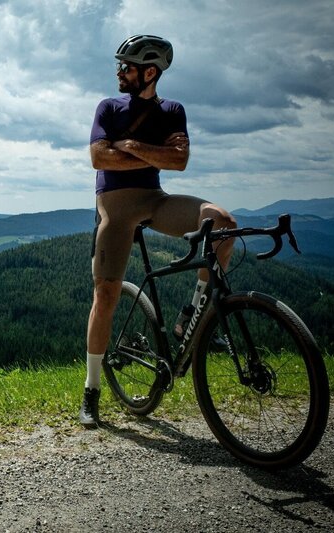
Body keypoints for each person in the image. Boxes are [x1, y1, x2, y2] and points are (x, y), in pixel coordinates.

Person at [79, 35, 237, 428]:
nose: (119, 72)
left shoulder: (172, 110)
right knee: (106, 294)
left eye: (127, 67)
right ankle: (92, 389)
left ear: (150, 72)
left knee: (223, 224)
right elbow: (99, 157)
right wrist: (153, 152)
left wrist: (129, 145)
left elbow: (179, 161)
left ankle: (192, 315)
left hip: (155, 198)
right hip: (114, 206)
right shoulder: (109, 106)